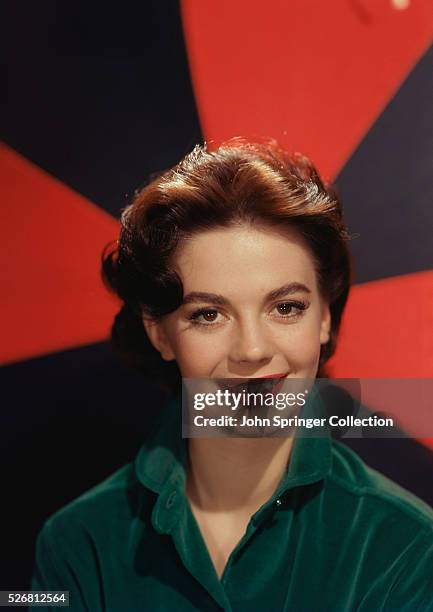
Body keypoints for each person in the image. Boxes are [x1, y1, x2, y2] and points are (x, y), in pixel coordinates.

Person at [31, 139, 433, 611]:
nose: (253, 350)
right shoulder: (78, 544)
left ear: (324, 317)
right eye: (207, 314)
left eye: (286, 308)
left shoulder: (406, 546)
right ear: (159, 333)